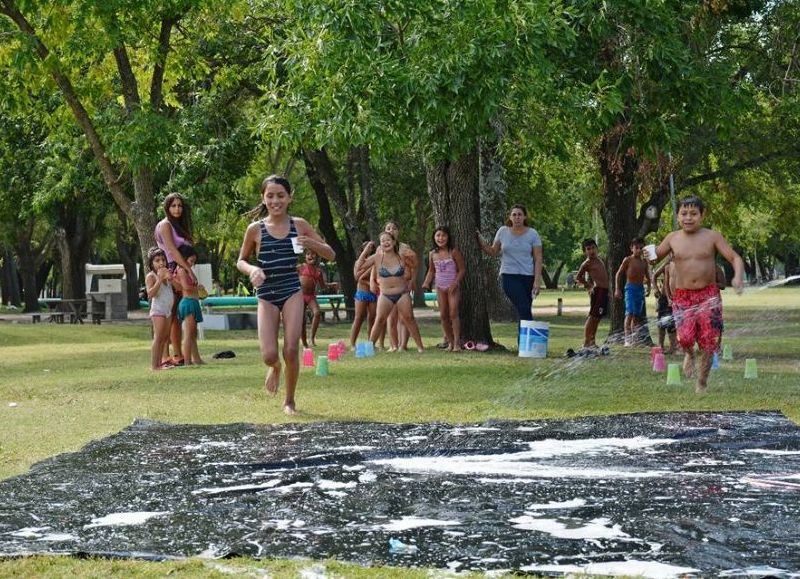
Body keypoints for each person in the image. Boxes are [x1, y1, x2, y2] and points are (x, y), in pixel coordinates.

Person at [236, 175, 334, 415]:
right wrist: (252, 270)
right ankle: (275, 367)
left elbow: (330, 254)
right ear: (263, 198)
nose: (275, 200)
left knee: (291, 349)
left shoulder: (299, 225)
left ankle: (289, 401)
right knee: (269, 355)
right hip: (267, 293)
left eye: (280, 195)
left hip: (291, 290)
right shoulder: (255, 229)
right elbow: (241, 260)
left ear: (290, 197)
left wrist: (311, 242)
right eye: (270, 196)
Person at [651, 195, 744, 392]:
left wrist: (737, 277)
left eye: (693, 213)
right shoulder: (672, 238)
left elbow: (734, 257)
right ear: (677, 216)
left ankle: (701, 382)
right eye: (684, 213)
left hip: (708, 296)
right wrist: (646, 254)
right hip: (683, 296)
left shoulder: (712, 237)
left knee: (709, 342)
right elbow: (654, 257)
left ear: (702, 215)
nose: (688, 218)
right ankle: (689, 354)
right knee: (684, 338)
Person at [477, 204, 543, 329]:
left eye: (519, 214)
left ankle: (523, 345)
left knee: (525, 310)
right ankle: (529, 342)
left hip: (528, 276)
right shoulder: (503, 231)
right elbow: (493, 251)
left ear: (524, 217)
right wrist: (480, 240)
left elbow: (538, 258)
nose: (517, 217)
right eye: (514, 215)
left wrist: (537, 281)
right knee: (523, 307)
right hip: (509, 276)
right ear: (510, 217)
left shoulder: (533, 234)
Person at [155, 193, 195, 367]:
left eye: (180, 206)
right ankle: (164, 357)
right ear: (167, 207)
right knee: (168, 316)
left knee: (176, 317)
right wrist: (188, 270)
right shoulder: (164, 225)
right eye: (173, 206)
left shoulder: (178, 226)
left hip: (180, 270)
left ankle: (177, 354)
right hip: (170, 272)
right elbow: (171, 251)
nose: (177, 209)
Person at [368, 231, 424, 352]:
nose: (385, 243)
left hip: (402, 293)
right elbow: (363, 266)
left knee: (409, 318)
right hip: (385, 294)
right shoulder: (378, 257)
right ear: (380, 244)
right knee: (380, 320)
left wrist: (413, 256)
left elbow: (414, 265)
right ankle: (369, 348)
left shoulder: (402, 256)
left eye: (388, 240)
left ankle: (420, 347)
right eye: (382, 241)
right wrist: (372, 281)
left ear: (394, 242)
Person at [422, 226, 465, 351]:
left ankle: (457, 343)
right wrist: (426, 282)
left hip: (452, 287)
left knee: (453, 313)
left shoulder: (453, 252)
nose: (440, 238)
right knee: (443, 315)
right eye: (438, 235)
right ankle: (450, 342)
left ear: (448, 237)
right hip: (439, 287)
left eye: (443, 235)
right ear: (434, 238)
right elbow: (431, 270)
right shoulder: (432, 254)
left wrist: (455, 283)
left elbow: (462, 269)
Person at [382, 221, 418, 351]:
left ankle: (403, 345)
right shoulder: (381, 248)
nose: (391, 230)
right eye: (388, 228)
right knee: (391, 316)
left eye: (394, 228)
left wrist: (412, 280)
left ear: (398, 232)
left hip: (403, 285)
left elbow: (414, 266)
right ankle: (393, 345)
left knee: (405, 316)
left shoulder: (405, 248)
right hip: (388, 287)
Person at [614, 238, 651, 346]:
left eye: (641, 248)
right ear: (632, 248)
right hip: (630, 288)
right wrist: (617, 288)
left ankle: (634, 339)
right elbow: (618, 274)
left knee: (636, 316)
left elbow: (648, 276)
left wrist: (648, 288)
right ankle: (627, 339)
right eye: (636, 248)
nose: (639, 250)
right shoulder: (628, 260)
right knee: (629, 313)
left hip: (640, 289)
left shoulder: (644, 262)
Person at [575, 239, 609, 352]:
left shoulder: (599, 260)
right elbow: (578, 277)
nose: (591, 251)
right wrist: (589, 286)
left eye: (593, 248)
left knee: (597, 318)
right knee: (592, 317)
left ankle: (592, 342)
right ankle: (586, 343)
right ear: (585, 252)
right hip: (597, 291)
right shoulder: (587, 263)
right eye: (588, 249)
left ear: (597, 248)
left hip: (604, 291)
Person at [144, 247, 175, 371]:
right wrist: (160, 279)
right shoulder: (151, 276)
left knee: (165, 337)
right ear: (152, 263)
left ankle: (160, 362)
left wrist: (171, 278)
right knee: (158, 337)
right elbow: (150, 294)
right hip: (158, 310)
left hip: (168, 310)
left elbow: (175, 288)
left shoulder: (166, 274)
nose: (161, 262)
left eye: (163, 259)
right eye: (157, 260)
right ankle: (154, 366)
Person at [350, 240, 378, 349]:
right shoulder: (359, 262)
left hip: (372, 294)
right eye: (367, 247)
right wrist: (367, 281)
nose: (369, 249)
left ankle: (370, 342)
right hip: (362, 293)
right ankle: (352, 343)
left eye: (371, 247)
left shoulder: (375, 261)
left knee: (372, 317)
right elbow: (357, 277)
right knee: (359, 317)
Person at [298, 249, 328, 347]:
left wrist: (331, 285)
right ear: (305, 256)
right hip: (301, 296)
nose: (311, 256)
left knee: (317, 312)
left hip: (310, 296)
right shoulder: (301, 267)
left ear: (317, 257)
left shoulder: (318, 272)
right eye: (308, 254)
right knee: (302, 320)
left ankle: (312, 338)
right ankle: (304, 343)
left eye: (313, 254)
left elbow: (323, 286)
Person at [652, 258, 678, 355]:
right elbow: (654, 276)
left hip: (677, 298)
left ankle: (673, 346)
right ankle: (660, 345)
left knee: (672, 324)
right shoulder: (667, 263)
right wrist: (655, 289)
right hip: (664, 297)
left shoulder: (684, 262)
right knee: (661, 322)